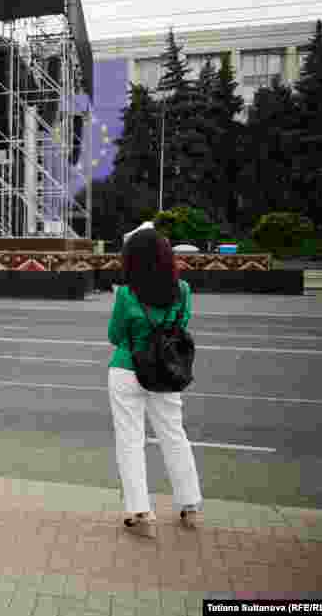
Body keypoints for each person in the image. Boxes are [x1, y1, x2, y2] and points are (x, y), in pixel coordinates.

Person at [107, 228, 201, 537]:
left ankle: (141, 512)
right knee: (174, 435)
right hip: (166, 372)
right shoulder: (183, 290)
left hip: (127, 369)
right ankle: (190, 506)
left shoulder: (126, 293)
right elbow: (180, 325)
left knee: (130, 442)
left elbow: (115, 336)